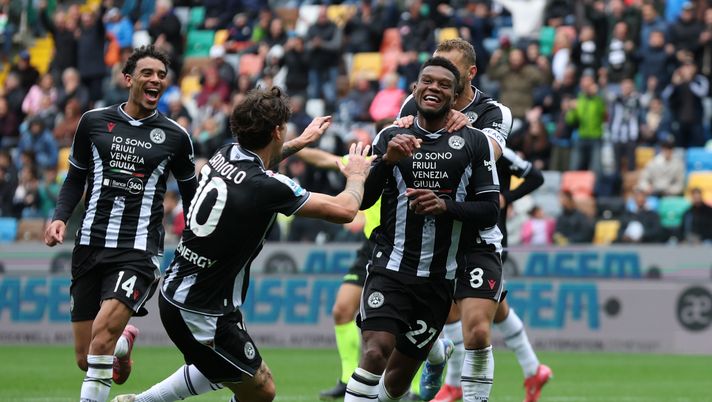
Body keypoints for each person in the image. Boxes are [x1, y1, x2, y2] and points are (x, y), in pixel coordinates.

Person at [112, 86, 372, 402]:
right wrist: (357, 174)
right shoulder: (268, 186)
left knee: (226, 370)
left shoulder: (225, 154)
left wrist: (300, 143)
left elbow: (260, 163)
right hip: (200, 310)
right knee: (261, 390)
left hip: (184, 294)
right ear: (277, 130)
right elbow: (346, 209)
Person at [43, 45, 198, 402]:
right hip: (89, 245)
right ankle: (122, 346)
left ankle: (111, 346)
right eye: (147, 73)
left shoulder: (175, 136)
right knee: (87, 357)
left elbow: (193, 197)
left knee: (101, 333)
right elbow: (74, 179)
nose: (156, 80)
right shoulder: (93, 122)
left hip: (138, 249)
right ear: (128, 79)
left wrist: (197, 243)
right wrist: (59, 219)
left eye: (161, 75)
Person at [343, 57, 500, 402]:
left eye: (444, 84)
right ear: (415, 88)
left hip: (438, 281)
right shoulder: (390, 135)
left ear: (456, 94)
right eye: (426, 81)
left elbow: (490, 210)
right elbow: (365, 200)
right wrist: (386, 161)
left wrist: (445, 205)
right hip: (390, 269)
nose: (433, 88)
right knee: (374, 353)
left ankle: (436, 357)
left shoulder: (474, 142)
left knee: (396, 384)